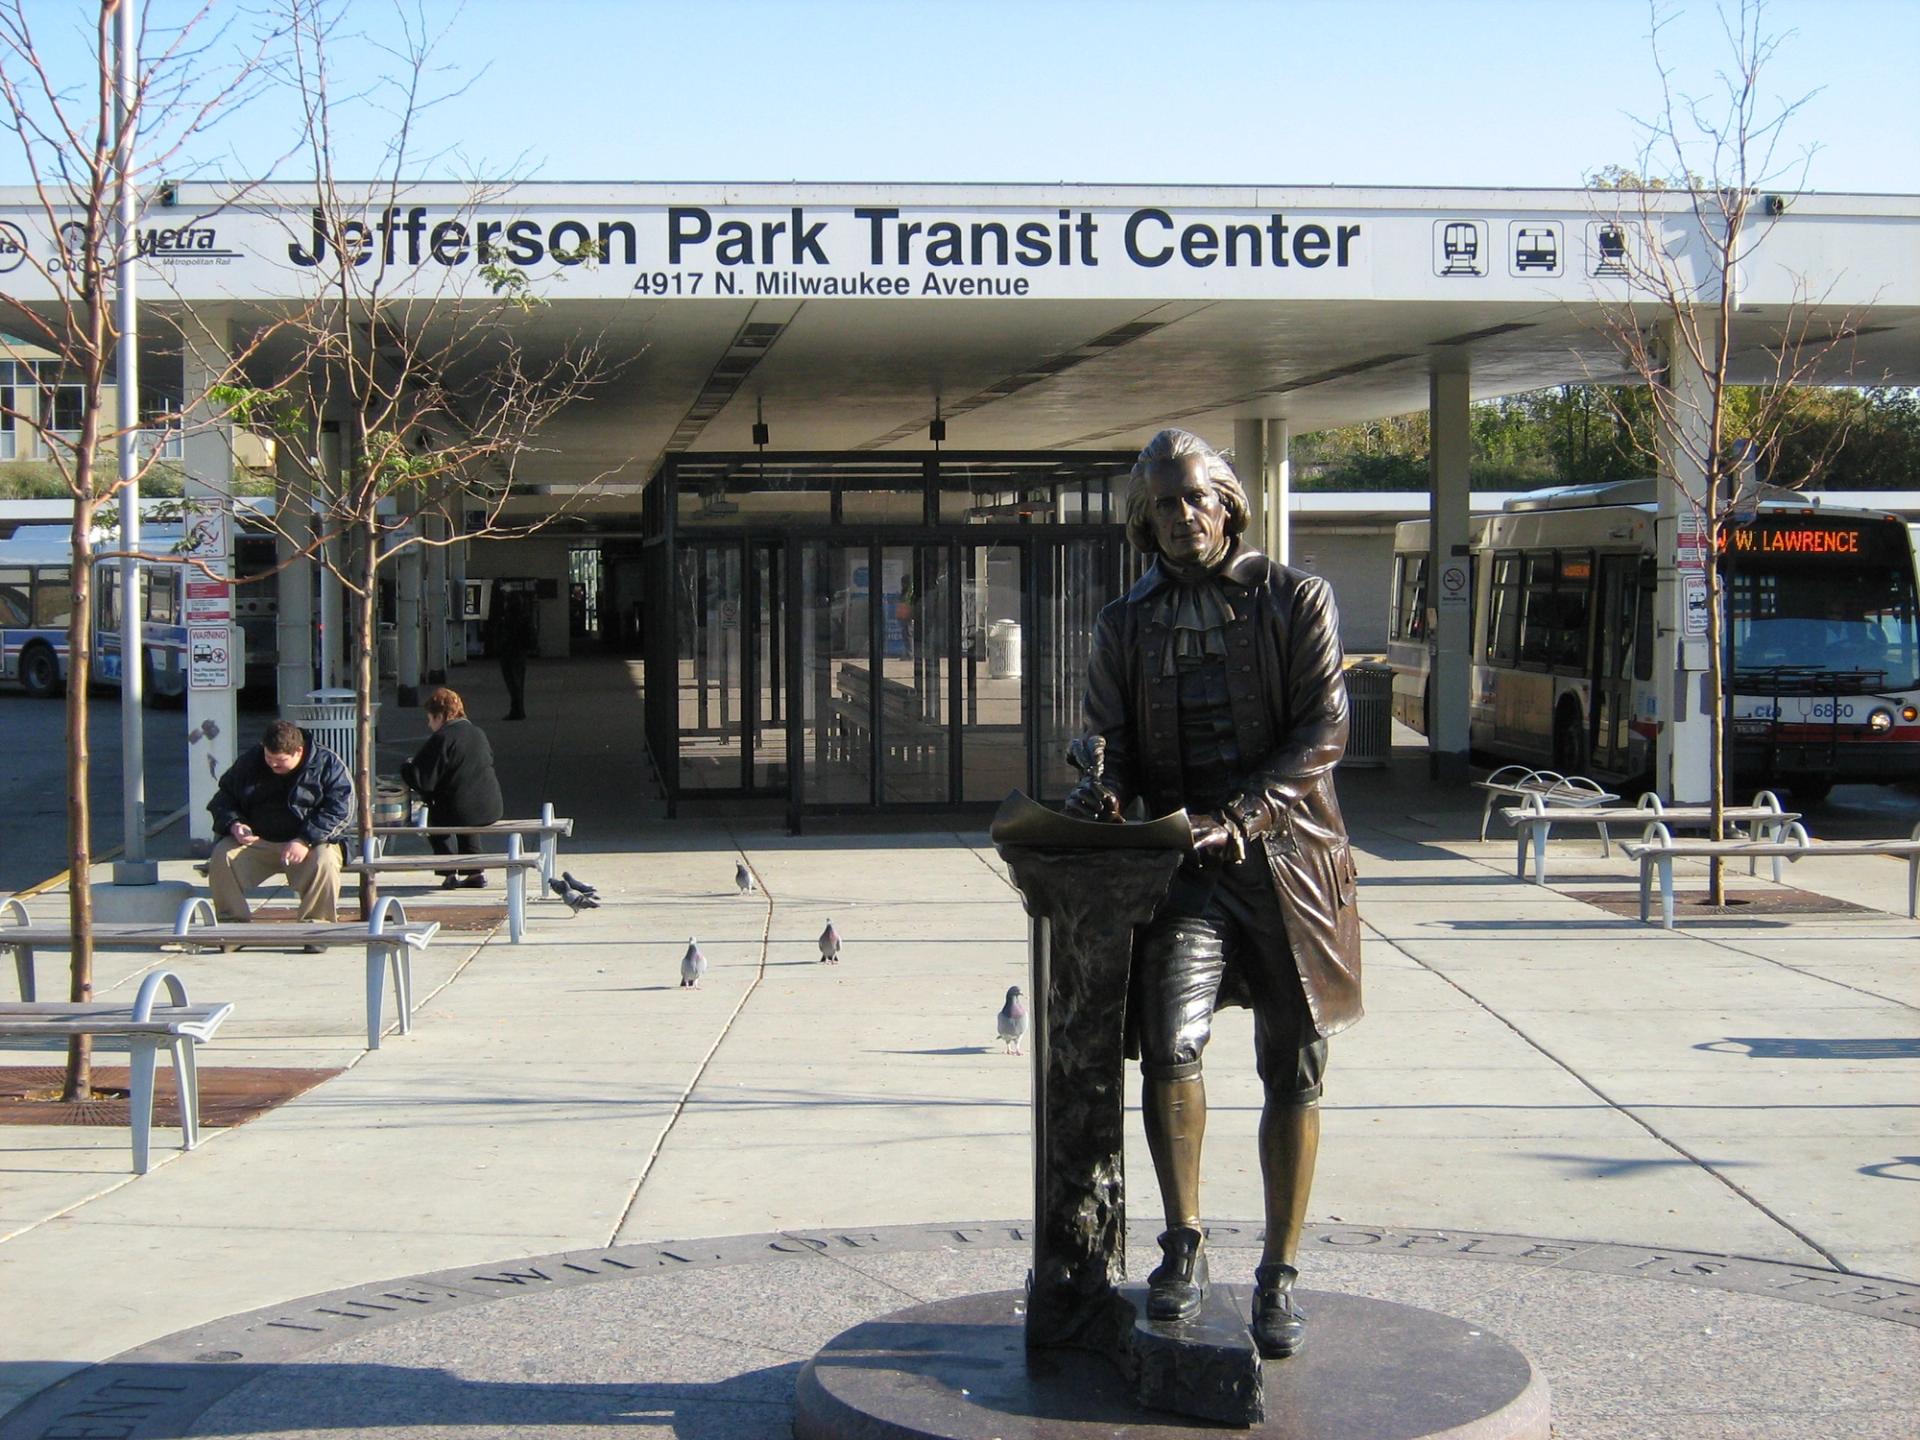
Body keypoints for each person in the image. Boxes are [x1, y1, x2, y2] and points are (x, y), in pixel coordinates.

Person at [1062, 428, 1363, 1360]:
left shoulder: (1296, 600)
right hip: (1186, 871)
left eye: (1196, 497)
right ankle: (1182, 1244)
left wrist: (1248, 813)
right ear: (1144, 521)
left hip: (1289, 869)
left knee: (1293, 1066)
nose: (1183, 516)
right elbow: (1108, 735)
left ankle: (1279, 1270)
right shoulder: (1124, 623)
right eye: (1163, 503)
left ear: (1229, 503)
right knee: (1169, 1044)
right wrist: (1104, 784)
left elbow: (1325, 727)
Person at [207, 719, 356, 926]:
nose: (273, 764)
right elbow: (223, 798)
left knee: (326, 861)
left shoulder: (327, 763)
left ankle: (316, 923)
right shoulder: (251, 761)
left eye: (280, 760)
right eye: (268, 757)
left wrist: (305, 840)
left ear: (298, 751)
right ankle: (232, 923)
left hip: (311, 842)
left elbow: (340, 810)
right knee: (222, 855)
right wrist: (235, 823)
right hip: (259, 840)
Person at [400, 687, 504, 888]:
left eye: (430, 718)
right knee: (464, 809)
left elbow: (423, 779)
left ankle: (448, 872)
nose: (429, 724)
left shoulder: (443, 738)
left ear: (440, 716)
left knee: (438, 816)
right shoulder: (477, 733)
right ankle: (475, 872)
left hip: (462, 809)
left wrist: (406, 767)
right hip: (490, 806)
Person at [488, 590, 535, 720]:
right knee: (518, 682)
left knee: (512, 682)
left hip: (509, 652)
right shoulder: (525, 616)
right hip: (520, 653)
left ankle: (517, 709)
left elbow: (503, 635)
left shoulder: (507, 618)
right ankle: (519, 709)